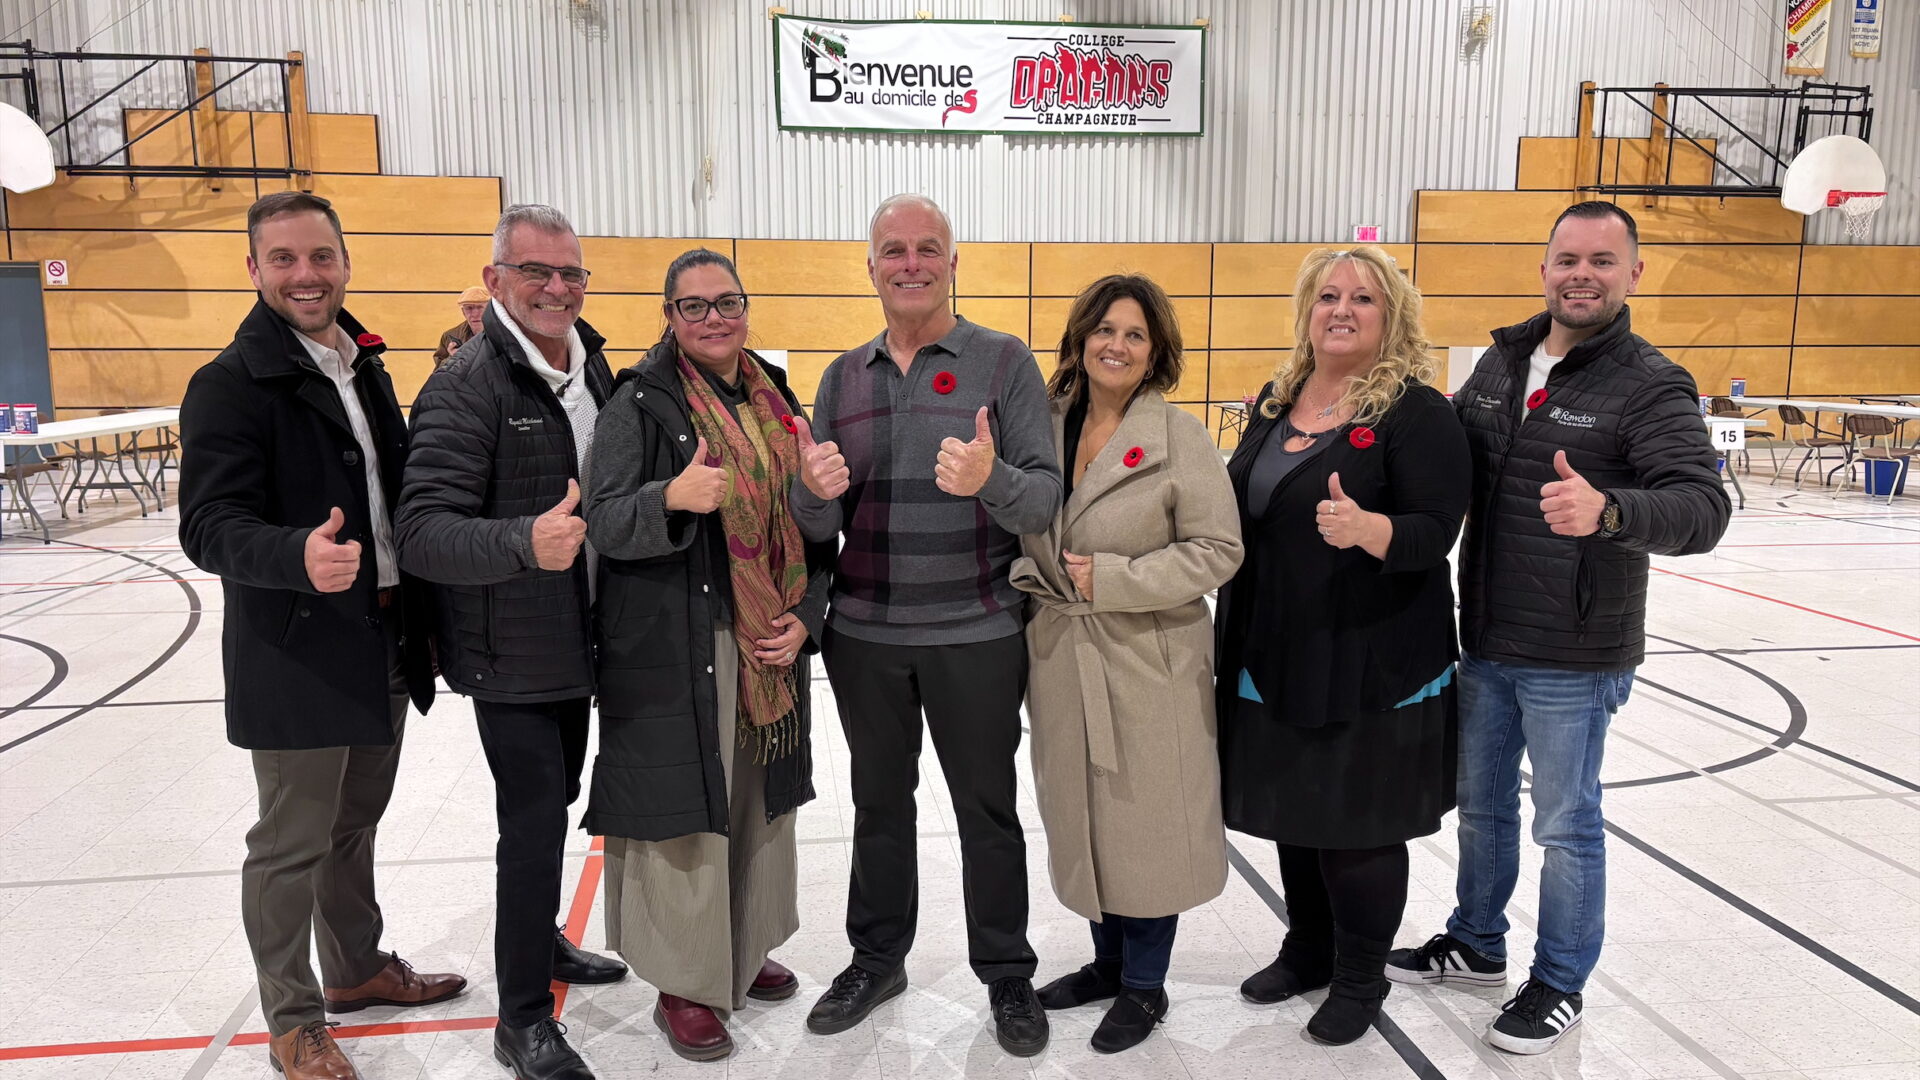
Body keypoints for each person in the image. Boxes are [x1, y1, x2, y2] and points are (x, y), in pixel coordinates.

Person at [1388, 202, 1730, 1054]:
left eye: (1603, 262)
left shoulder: (1649, 383)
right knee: (1484, 807)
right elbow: (1449, 459)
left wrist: (1609, 509)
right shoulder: (1504, 362)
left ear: (1633, 273)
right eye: (1568, 259)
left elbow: (1702, 507)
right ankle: (1475, 942)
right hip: (1489, 636)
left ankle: (1561, 979)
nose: (1582, 274)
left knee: (1565, 823)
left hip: (1576, 652)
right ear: (1545, 267)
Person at [178, 191, 464, 1080]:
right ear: (254, 269)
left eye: (321, 257)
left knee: (355, 823)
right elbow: (208, 525)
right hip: (296, 645)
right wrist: (294, 556)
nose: (307, 275)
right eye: (285, 259)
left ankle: (355, 969)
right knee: (292, 840)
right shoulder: (229, 383)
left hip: (380, 632)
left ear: (344, 260)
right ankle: (293, 1019)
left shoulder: (361, 362)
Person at [789, 193, 1062, 1057]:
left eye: (927, 249)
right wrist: (811, 493)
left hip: (977, 631)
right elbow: (816, 524)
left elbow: (1044, 497)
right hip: (865, 634)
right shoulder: (842, 377)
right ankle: (877, 958)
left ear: (953, 263)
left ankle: (1007, 971)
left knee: (987, 811)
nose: (911, 264)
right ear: (869, 267)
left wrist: (990, 478)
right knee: (877, 806)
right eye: (893, 250)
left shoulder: (1004, 363)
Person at [581, 248, 835, 1062]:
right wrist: (670, 498)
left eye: (727, 301)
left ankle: (745, 943)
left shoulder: (773, 393)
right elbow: (607, 521)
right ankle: (684, 983)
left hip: (767, 640)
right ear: (669, 317)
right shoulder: (639, 403)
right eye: (693, 306)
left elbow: (806, 527)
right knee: (685, 817)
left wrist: (807, 615)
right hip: (675, 643)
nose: (713, 317)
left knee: (756, 801)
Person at [1216, 246, 1470, 1046]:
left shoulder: (1417, 412)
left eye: (1363, 298)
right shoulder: (1275, 400)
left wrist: (1370, 530)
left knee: (1357, 821)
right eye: (1328, 296)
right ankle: (1309, 949)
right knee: (1298, 808)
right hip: (1277, 643)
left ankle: (1361, 977)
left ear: (1390, 316)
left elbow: (1439, 529)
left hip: (1371, 655)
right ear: (1307, 311)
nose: (1342, 309)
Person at [395, 204, 627, 1080]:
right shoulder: (468, 386)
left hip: (579, 643)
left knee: (558, 800)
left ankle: (543, 945)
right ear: (495, 281)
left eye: (571, 273)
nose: (557, 288)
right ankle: (523, 1018)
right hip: (509, 652)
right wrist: (522, 542)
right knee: (530, 825)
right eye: (536, 272)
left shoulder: (589, 362)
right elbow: (421, 532)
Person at [1012, 274, 1242, 1054]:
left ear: (1155, 354)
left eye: (1135, 335)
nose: (1116, 345)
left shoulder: (1180, 436)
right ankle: (1108, 965)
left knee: (1148, 822)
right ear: (1080, 339)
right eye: (1104, 329)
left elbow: (1219, 550)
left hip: (1150, 663)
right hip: (1060, 657)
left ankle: (1146, 987)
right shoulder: (1039, 427)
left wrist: (1112, 580)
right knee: (1083, 814)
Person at [433, 285, 489, 367]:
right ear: (463, 312)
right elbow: (438, 372)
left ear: (490, 309)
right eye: (469, 308)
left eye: (480, 307)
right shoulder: (450, 336)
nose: (475, 314)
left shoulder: (504, 332)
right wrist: (452, 359)